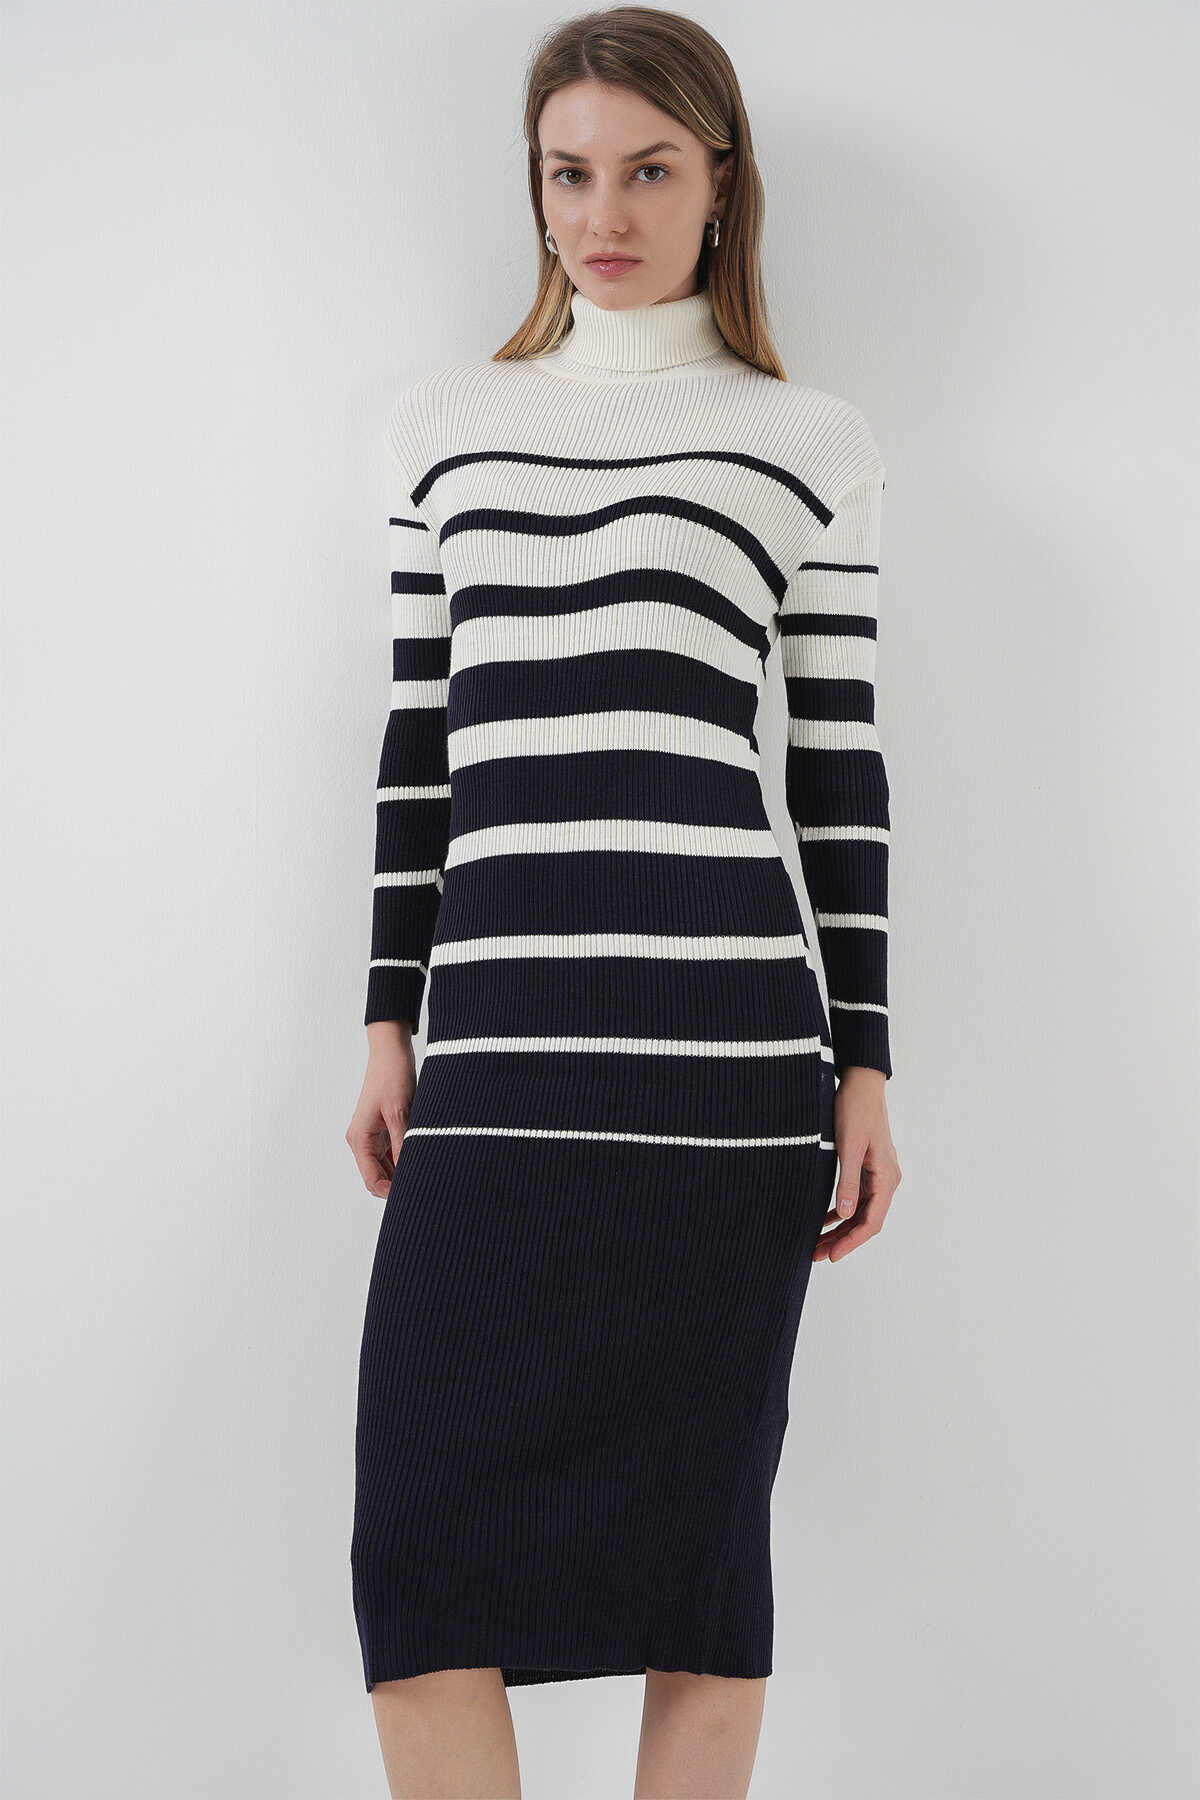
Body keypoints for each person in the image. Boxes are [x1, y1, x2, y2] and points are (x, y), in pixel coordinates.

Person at [344, 7, 903, 1795]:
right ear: (533, 186)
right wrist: (388, 1020)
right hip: (499, 1067)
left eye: (650, 170)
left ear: (721, 185)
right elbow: (422, 749)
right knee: (417, 1574)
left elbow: (838, 779)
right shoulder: (447, 428)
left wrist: (868, 1067)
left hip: (726, 1085)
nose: (605, 213)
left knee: (701, 1580)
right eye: (569, 173)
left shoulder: (807, 441)